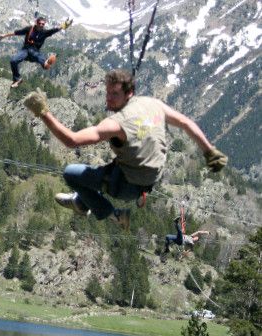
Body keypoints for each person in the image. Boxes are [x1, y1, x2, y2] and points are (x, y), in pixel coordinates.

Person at [22, 69, 228, 230]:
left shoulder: (116, 123)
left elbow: (72, 140)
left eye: (114, 94)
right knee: (104, 166)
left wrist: (43, 113)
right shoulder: (153, 104)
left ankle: (114, 214)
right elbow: (185, 122)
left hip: (127, 185)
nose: (108, 99)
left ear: (129, 93)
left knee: (71, 174)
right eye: (107, 93)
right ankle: (83, 202)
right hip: (150, 177)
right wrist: (209, 151)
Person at [0, 16, 72, 87]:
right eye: (39, 23)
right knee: (13, 61)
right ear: (36, 23)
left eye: (43, 24)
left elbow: (55, 29)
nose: (41, 25)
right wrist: (4, 35)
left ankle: (45, 64)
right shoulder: (29, 29)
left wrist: (64, 25)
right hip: (25, 51)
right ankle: (17, 79)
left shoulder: (44, 32)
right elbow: (16, 33)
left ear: (44, 25)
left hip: (34, 53)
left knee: (36, 54)